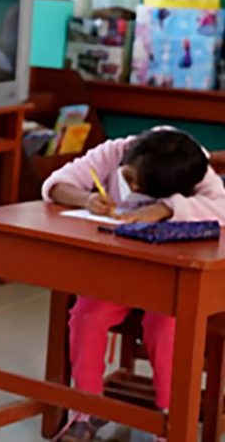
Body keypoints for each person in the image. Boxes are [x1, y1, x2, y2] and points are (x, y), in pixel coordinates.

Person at [43, 127, 225, 442]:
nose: (131, 187)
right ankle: (86, 411)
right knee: (88, 315)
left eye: (139, 186)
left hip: (174, 280)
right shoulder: (116, 151)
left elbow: (222, 208)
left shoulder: (196, 167)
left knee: (166, 327)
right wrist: (86, 198)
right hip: (118, 274)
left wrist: (167, 208)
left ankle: (170, 418)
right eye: (128, 178)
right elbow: (56, 184)